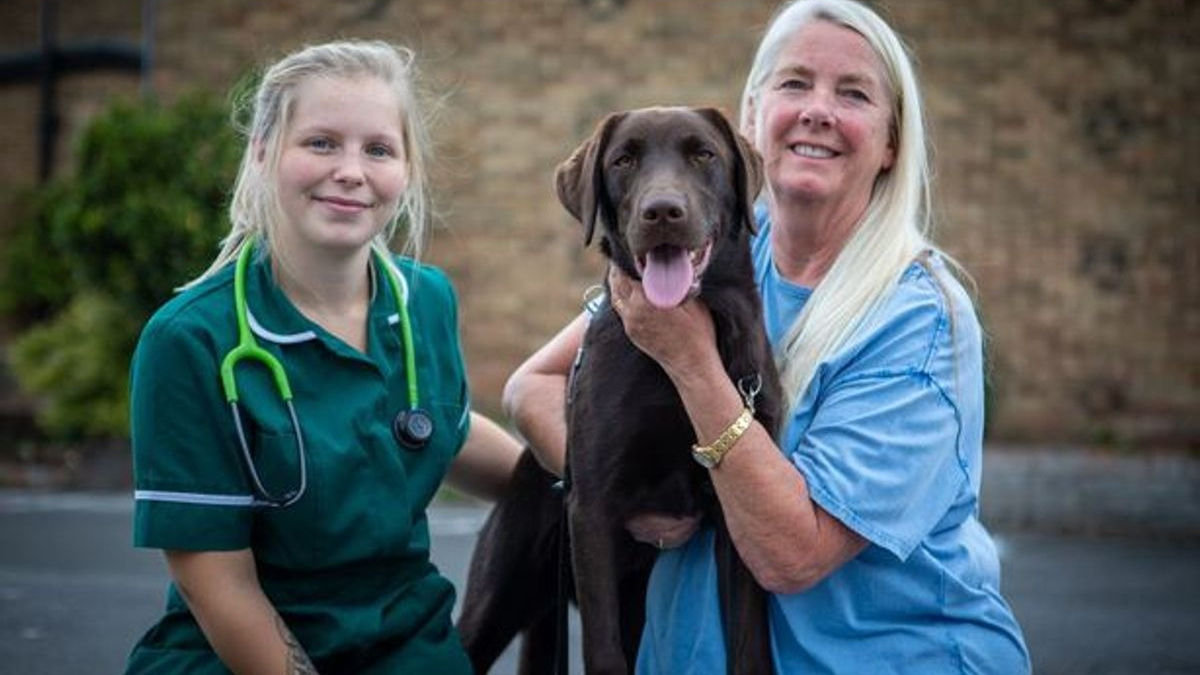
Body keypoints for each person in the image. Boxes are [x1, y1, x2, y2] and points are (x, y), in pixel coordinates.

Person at [503, 1, 1031, 672]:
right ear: (752, 116)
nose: (817, 108)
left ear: (893, 140)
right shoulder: (706, 255)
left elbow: (793, 554)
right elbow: (531, 388)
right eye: (794, 83)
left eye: (853, 92)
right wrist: (622, 496)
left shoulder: (918, 319)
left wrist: (692, 360)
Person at [124, 40, 521, 675]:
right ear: (262, 152)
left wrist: (573, 480)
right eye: (321, 143)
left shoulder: (425, 300)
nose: (351, 170)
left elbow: (440, 425)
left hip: (408, 645)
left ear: (407, 170)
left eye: (379, 150)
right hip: (241, 651)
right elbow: (217, 584)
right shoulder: (190, 340)